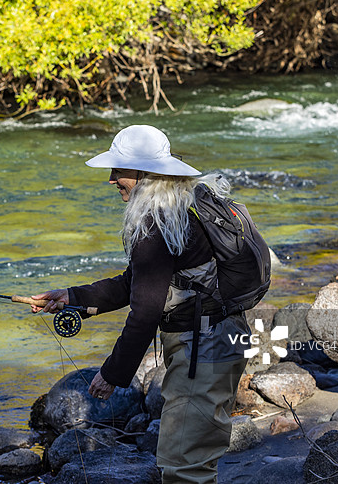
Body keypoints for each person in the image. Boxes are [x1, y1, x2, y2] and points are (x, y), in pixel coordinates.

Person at [30, 124, 250, 484]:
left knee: (183, 468)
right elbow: (136, 282)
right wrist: (72, 296)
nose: (112, 178)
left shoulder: (157, 221)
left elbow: (145, 310)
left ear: (147, 174)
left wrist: (112, 374)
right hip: (225, 336)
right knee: (196, 458)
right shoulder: (187, 204)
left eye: (120, 170)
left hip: (202, 347)